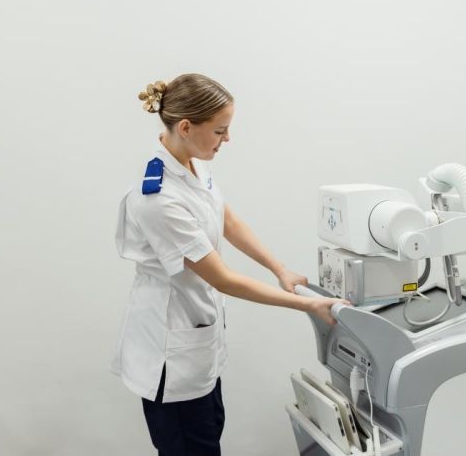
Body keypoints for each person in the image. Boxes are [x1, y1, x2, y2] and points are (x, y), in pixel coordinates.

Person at [112, 73, 346, 456]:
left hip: (197, 342)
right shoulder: (157, 199)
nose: (227, 140)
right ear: (186, 127)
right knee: (193, 449)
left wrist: (279, 268)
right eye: (220, 131)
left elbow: (226, 218)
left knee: (209, 435)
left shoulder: (191, 163)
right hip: (172, 359)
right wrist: (308, 306)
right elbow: (221, 279)